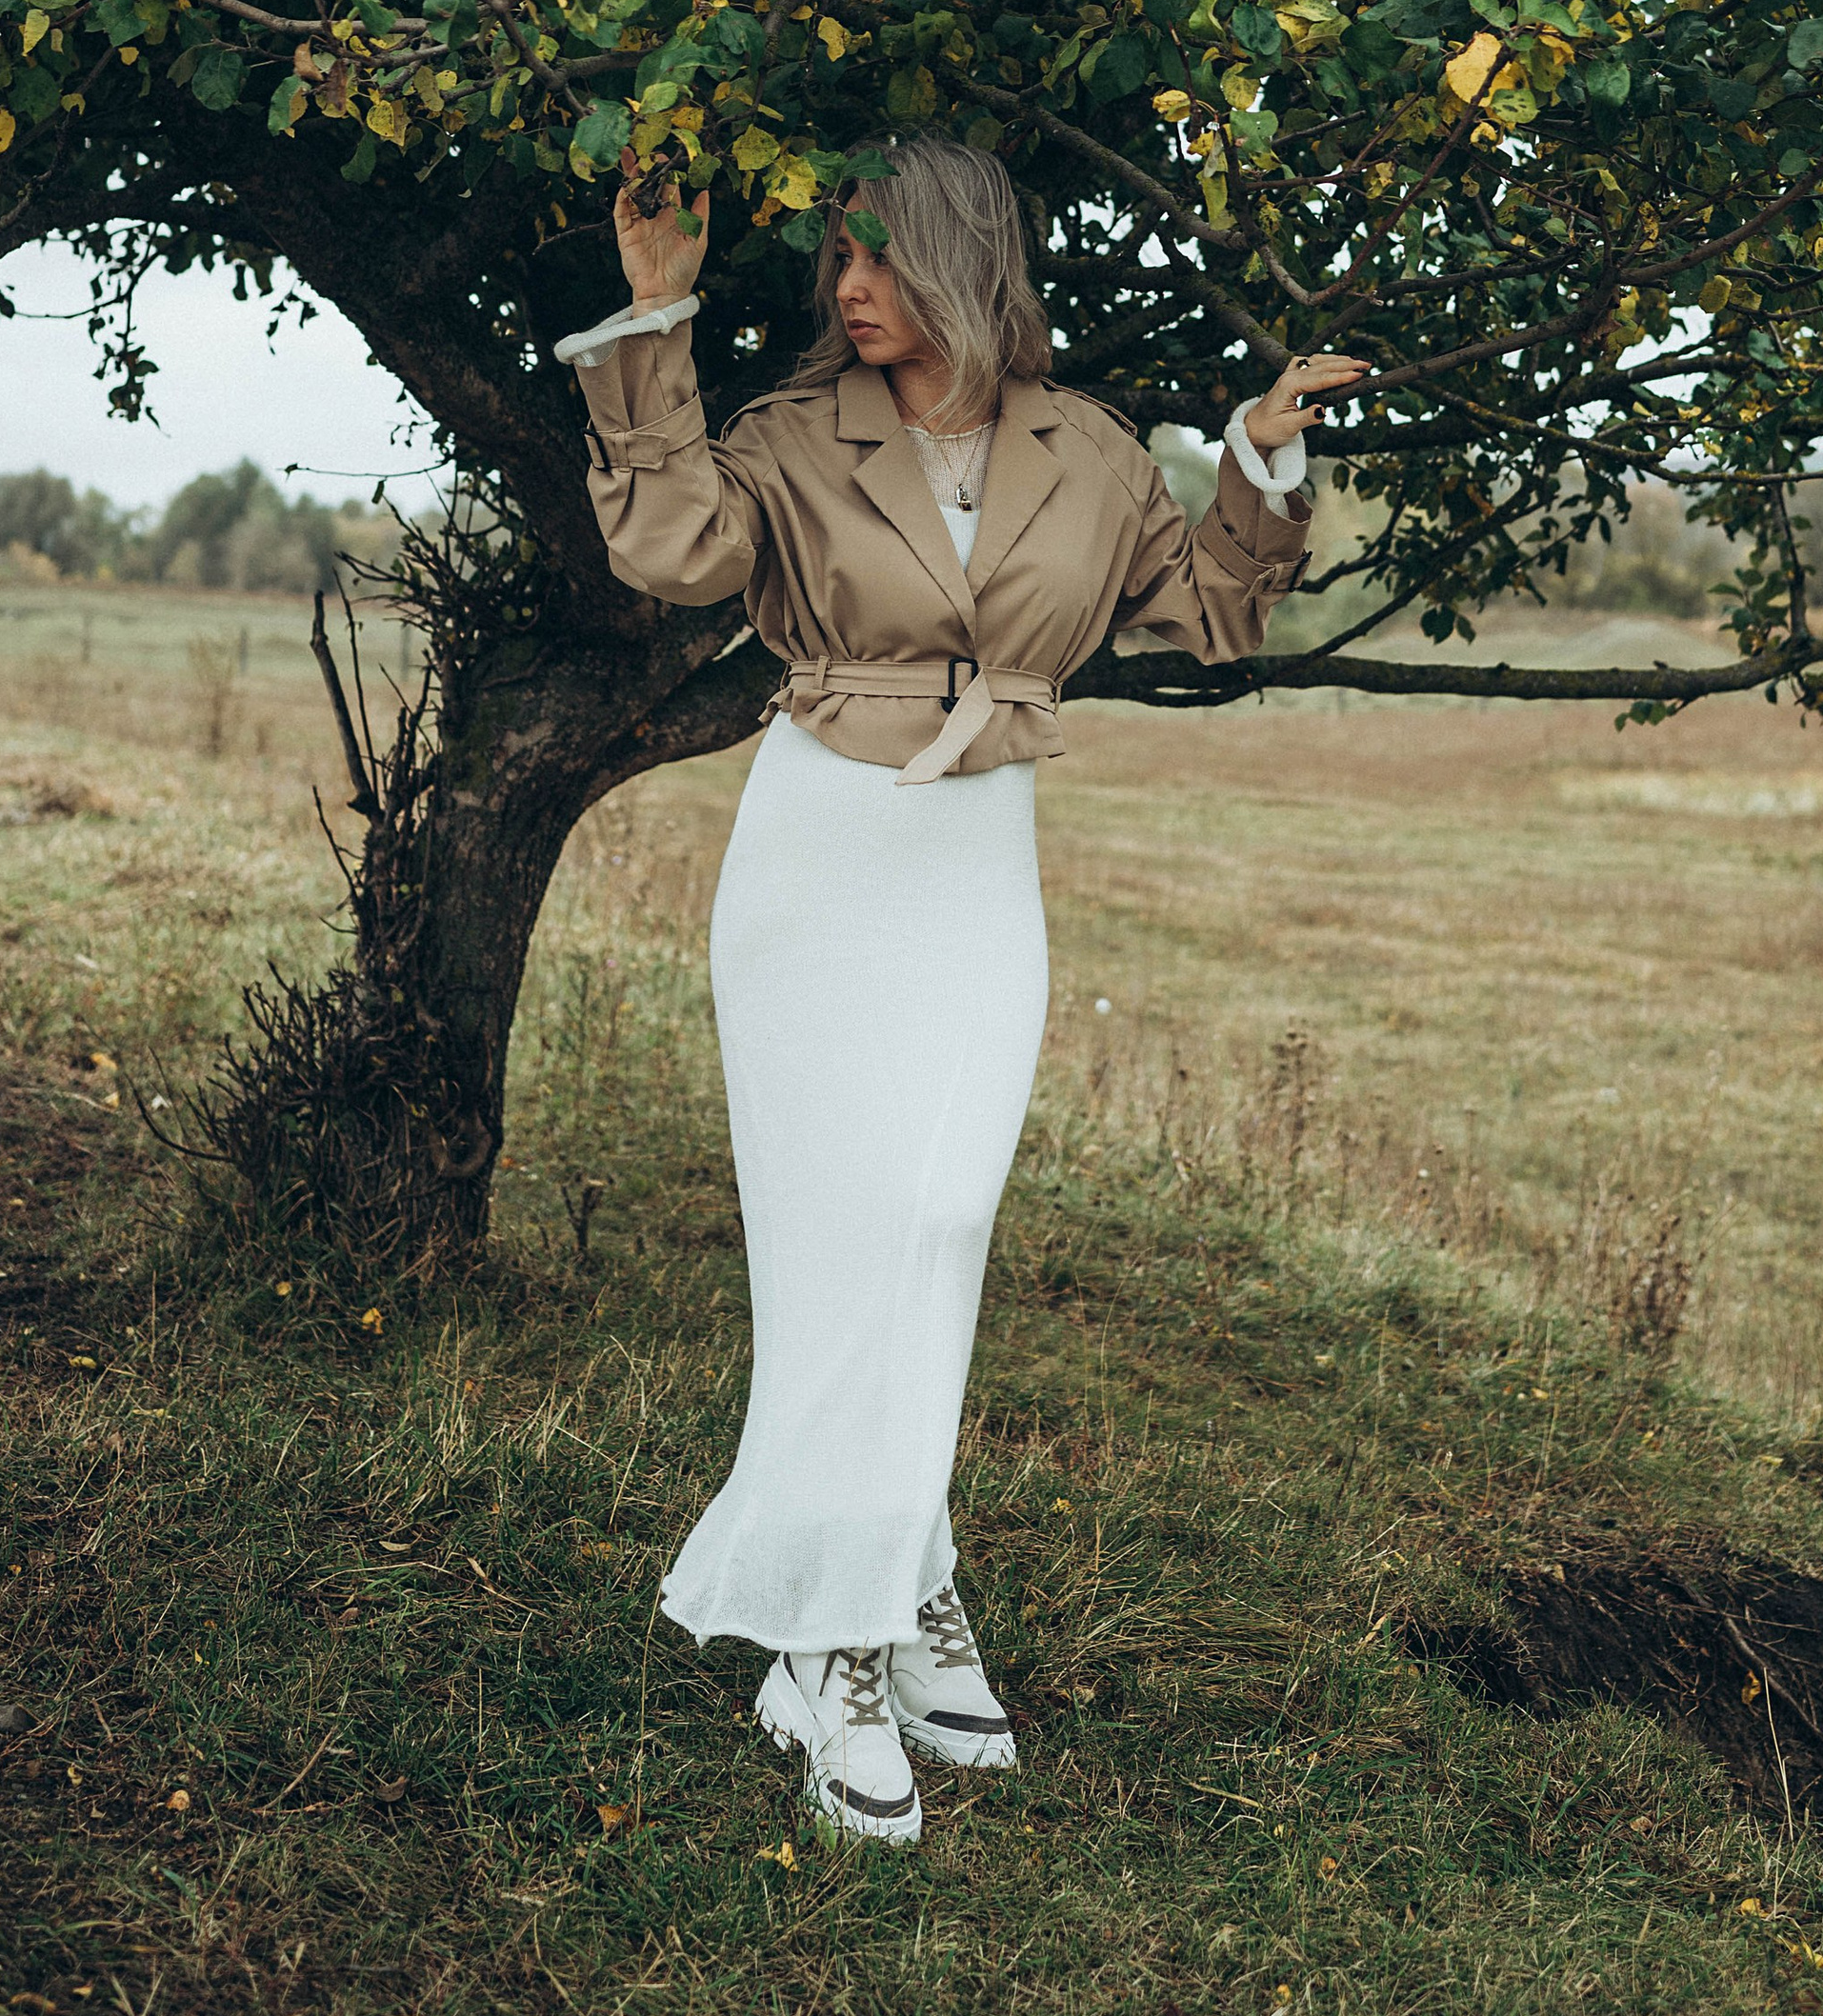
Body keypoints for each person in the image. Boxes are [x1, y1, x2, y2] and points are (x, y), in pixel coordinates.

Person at [555, 132, 1370, 1845]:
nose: (848, 293)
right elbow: (670, 550)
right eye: (836, 264)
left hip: (976, 856)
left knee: (937, 1216)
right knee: (834, 1238)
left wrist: (1261, 466)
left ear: (966, 264)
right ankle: (840, 1641)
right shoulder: (784, 437)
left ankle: (890, 1564)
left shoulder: (1087, 456)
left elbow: (1210, 617)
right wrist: (651, 319)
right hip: (819, 851)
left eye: (879, 261)